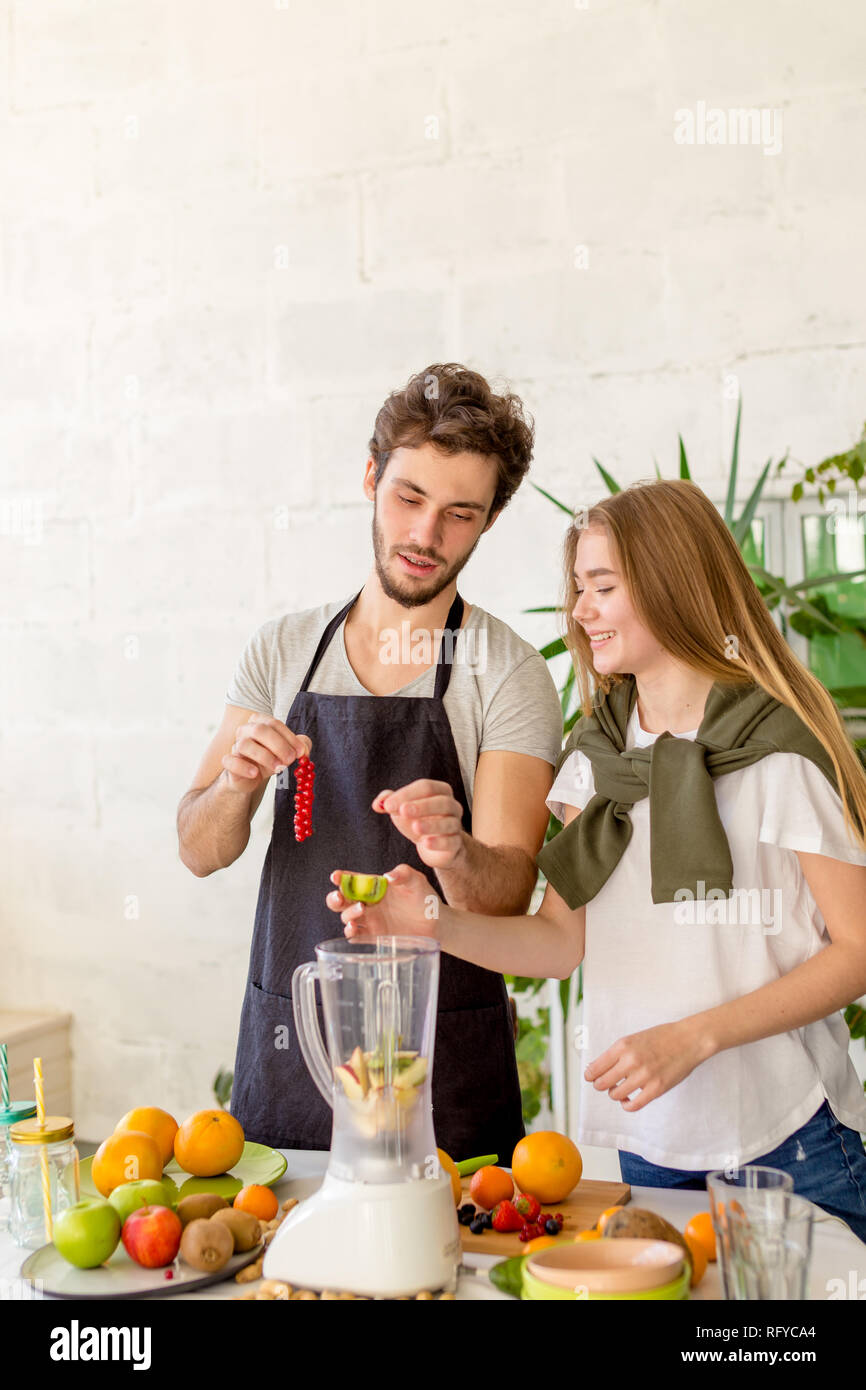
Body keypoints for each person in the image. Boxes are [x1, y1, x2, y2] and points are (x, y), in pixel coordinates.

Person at [328, 478, 866, 1241]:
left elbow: (859, 950)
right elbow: (558, 942)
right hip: (649, 1142)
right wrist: (432, 922)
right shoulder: (596, 760)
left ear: (673, 586)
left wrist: (695, 1035)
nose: (579, 611)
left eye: (602, 587)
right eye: (579, 587)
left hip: (788, 1134)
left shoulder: (779, 753)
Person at [177, 362, 564, 1160]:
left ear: (488, 521)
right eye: (409, 498)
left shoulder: (510, 673)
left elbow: (506, 898)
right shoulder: (282, 651)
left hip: (441, 1069)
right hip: (295, 1042)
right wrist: (237, 785)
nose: (426, 536)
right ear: (369, 476)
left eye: (460, 514)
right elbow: (198, 849)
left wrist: (457, 853)